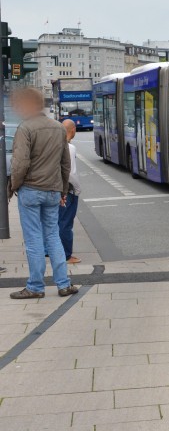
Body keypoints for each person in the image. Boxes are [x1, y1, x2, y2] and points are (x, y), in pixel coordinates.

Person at [8, 86, 78, 300]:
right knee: (53, 235)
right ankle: (63, 284)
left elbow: (20, 164)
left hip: (30, 189)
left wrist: (12, 186)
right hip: (52, 191)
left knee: (33, 239)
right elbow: (65, 164)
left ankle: (35, 286)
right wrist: (63, 190)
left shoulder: (25, 128)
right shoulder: (58, 128)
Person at [58, 119, 82, 264]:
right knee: (66, 223)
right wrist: (77, 189)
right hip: (68, 190)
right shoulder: (70, 148)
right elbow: (70, 173)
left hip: (55, 188)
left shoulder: (55, 145)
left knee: (56, 221)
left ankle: (52, 251)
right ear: (72, 130)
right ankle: (67, 255)